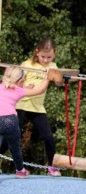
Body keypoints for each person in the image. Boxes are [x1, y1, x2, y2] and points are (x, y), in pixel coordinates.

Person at [15, 38, 61, 176]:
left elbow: (59, 83)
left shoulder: (53, 66)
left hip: (37, 107)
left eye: (49, 57)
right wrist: (23, 85)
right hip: (21, 104)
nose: (45, 60)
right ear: (37, 52)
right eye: (43, 57)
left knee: (48, 137)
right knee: (12, 135)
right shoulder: (27, 64)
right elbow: (16, 82)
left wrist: (61, 78)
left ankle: (52, 166)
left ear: (54, 54)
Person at [0, 66, 54, 177]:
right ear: (20, 81)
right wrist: (48, 77)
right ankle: (20, 171)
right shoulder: (19, 91)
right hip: (10, 120)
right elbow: (40, 90)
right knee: (14, 148)